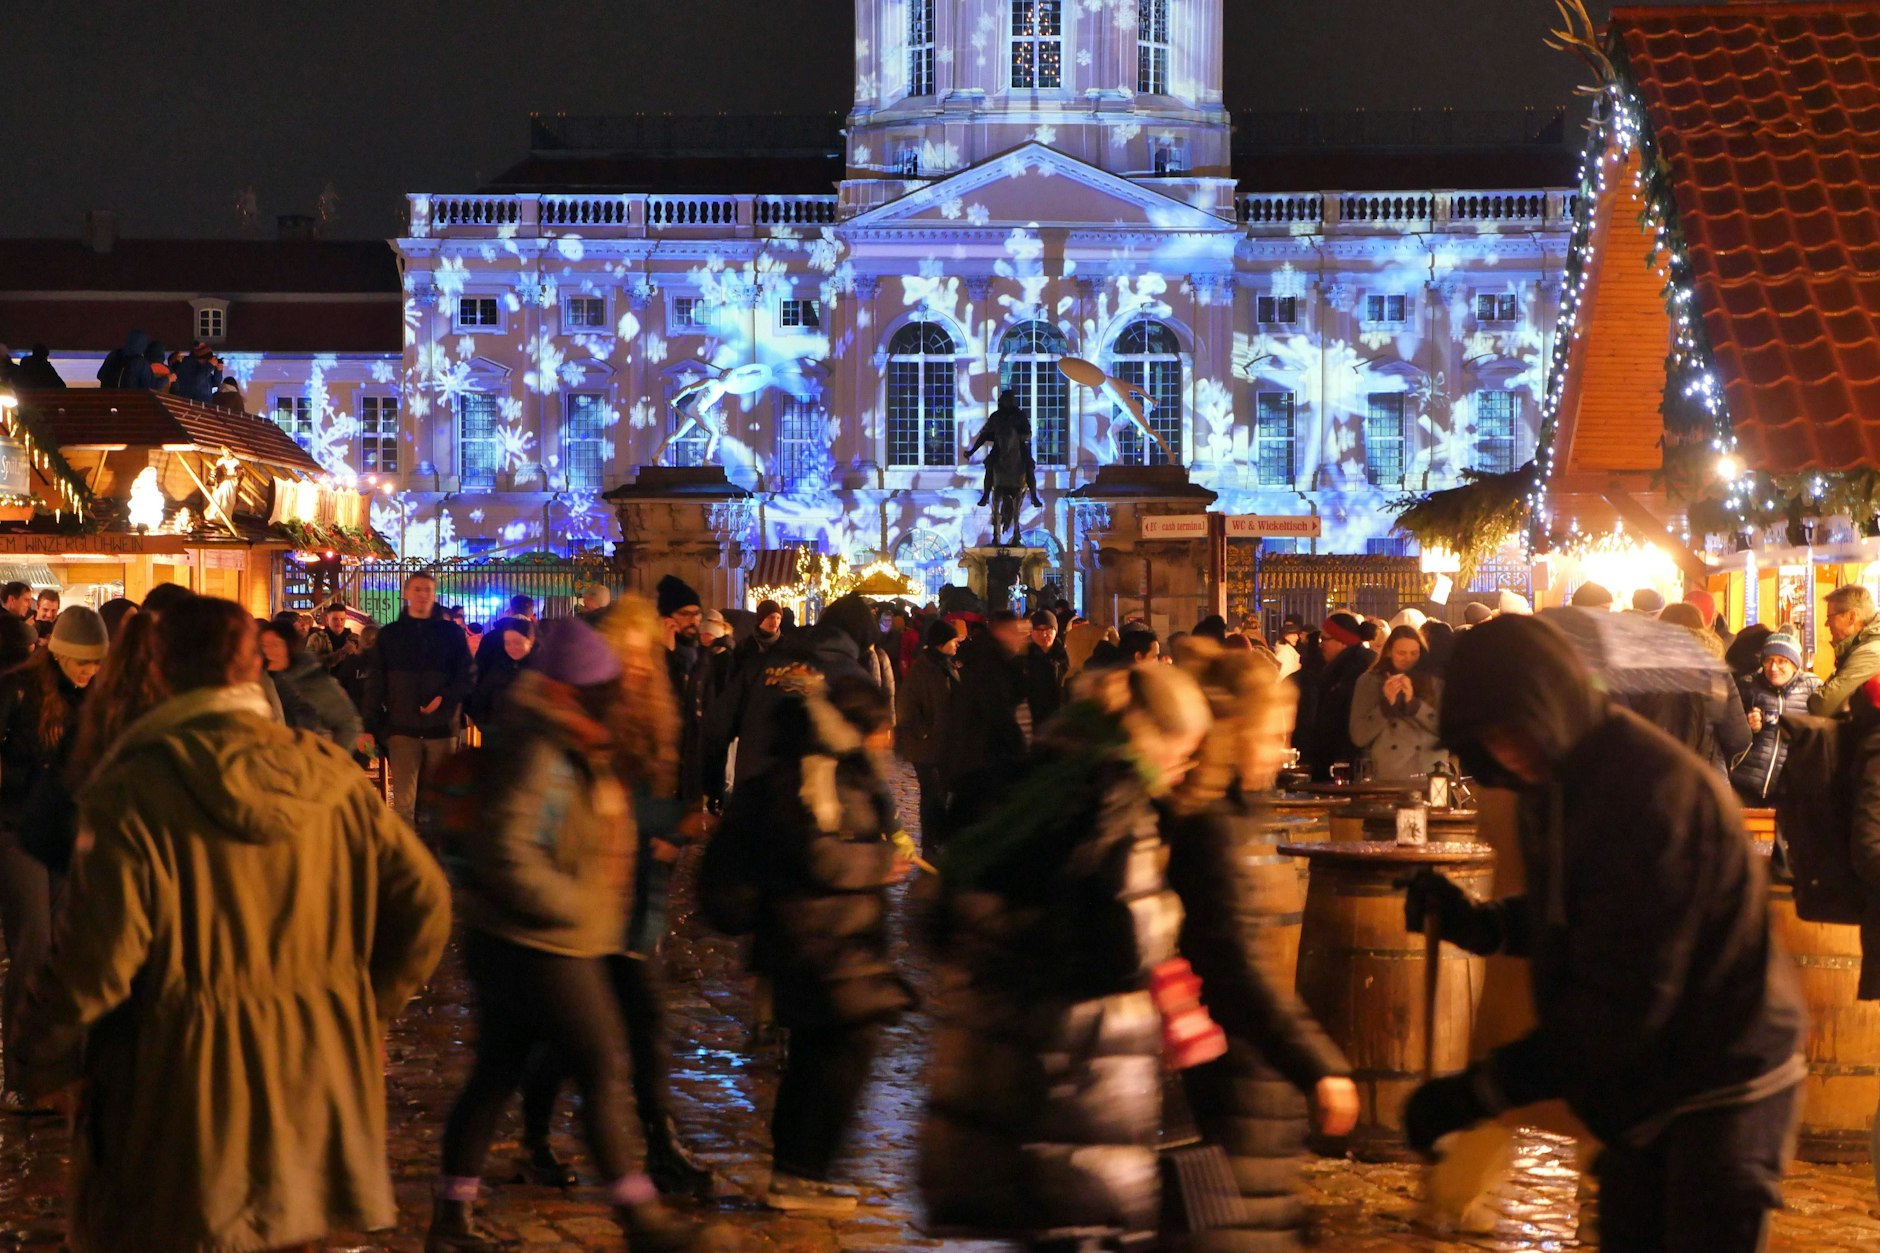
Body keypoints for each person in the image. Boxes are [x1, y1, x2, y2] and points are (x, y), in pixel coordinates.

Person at [13, 596, 452, 1253]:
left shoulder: (134, 791)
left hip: (176, 1100)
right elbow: (424, 904)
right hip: (308, 1090)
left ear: (157, 673)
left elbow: (95, 959)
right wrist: (361, 1010)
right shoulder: (328, 776)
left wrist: (39, 1058)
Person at [1400, 614, 1806, 1251]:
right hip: (1642, 1085)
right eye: (1491, 741)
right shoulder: (1552, 779)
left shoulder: (1651, 794)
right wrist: (1482, 924)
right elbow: (1578, 912)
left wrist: (1483, 1090)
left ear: (1550, 704)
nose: (1508, 753)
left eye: (1514, 732)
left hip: (1719, 1083)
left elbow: (1627, 993)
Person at [921, 663, 1211, 1247]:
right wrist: (1165, 960)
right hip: (1074, 1091)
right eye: (1184, 750)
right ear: (1151, 732)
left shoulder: (1041, 779)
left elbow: (953, 905)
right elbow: (1115, 943)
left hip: (1006, 1083)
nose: (1185, 768)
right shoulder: (1115, 800)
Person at [429, 617, 691, 1252]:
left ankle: (452, 1219)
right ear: (581, 689)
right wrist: (579, 907)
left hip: (526, 935)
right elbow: (510, 850)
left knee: (497, 1070)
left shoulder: (563, 737)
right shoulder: (542, 747)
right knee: (601, 1062)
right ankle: (641, 1220)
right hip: (540, 939)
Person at [1167, 639, 1359, 1247]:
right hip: (1217, 1081)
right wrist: (1318, 1065)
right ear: (1235, 731)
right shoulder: (1207, 828)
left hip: (1224, 1078)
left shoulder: (1218, 813)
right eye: (1271, 733)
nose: (1280, 751)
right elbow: (1232, 966)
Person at [724, 673, 911, 1213]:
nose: (887, 742)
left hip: (832, 940)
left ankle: (798, 1173)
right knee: (839, 1054)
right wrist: (881, 862)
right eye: (881, 730)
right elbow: (818, 855)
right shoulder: (818, 772)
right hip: (817, 942)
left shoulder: (840, 768)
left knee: (823, 1055)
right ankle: (798, 1174)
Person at [0, 607, 106, 1111]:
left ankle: (61, 1071)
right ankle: (20, 1077)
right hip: (16, 830)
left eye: (95, 665)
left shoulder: (90, 699)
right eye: (81, 663)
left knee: (65, 948)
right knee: (33, 947)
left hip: (66, 833)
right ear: (59, 654)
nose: (88, 672)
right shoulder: (17, 691)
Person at [362, 571, 474, 829]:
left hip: (441, 727)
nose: (423, 595)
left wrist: (444, 698)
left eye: (428, 590)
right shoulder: (390, 635)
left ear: (434, 595)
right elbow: (376, 682)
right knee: (404, 802)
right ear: (406, 593)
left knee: (437, 799)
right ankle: (408, 856)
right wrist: (369, 724)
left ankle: (434, 854)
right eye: (418, 589)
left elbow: (467, 675)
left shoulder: (451, 634)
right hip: (402, 727)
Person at [940, 609, 1028, 837]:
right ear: (1001, 632)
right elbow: (996, 712)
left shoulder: (989, 659)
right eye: (1015, 632)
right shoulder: (990, 663)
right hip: (981, 758)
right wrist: (1019, 748)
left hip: (976, 757)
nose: (1019, 638)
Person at [1730, 632, 1820, 805]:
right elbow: (1729, 733)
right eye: (1768, 660)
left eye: (1782, 661)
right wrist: (1747, 726)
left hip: (1788, 788)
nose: (1773, 667)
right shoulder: (1747, 686)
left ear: (1795, 665)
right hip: (1745, 783)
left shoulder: (1812, 688)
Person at [895, 616, 961, 847]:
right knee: (932, 797)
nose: (957, 644)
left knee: (941, 795)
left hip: (943, 745)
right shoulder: (923, 669)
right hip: (926, 748)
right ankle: (931, 844)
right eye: (954, 640)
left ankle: (938, 842)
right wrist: (925, 731)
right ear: (941, 642)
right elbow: (905, 707)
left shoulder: (946, 665)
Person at [1348, 623, 1444, 781]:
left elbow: (1446, 730)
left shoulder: (1434, 682)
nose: (1408, 659)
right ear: (1389, 652)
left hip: (1429, 773)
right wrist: (1386, 707)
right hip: (1388, 774)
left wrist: (1415, 706)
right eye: (1401, 653)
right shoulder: (1369, 682)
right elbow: (1359, 736)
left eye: (1414, 653)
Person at [260, 620, 366, 750]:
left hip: (310, 759)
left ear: (289, 646)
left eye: (275, 645)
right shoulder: (262, 680)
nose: (268, 651)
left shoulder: (312, 678)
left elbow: (348, 724)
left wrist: (331, 760)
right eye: (264, 645)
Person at [1302, 612, 1369, 780]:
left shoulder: (1348, 672)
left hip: (1344, 763)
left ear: (1343, 641)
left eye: (1325, 639)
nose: (1320, 645)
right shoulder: (1336, 669)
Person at [1811, 584, 1880, 716]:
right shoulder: (1860, 648)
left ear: (1851, 617)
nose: (1826, 624)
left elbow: (1821, 706)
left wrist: (1817, 693)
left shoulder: (1870, 653)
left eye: (1830, 617)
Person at [466, 618, 533, 726]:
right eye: (507, 643)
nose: (512, 647)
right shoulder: (498, 669)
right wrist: (488, 727)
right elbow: (479, 700)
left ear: (530, 640)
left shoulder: (541, 670)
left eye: (517, 642)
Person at [1021, 609, 1063, 730]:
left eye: (1048, 629)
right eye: (1038, 629)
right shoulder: (1023, 658)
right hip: (1034, 721)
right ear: (1031, 632)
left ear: (1055, 630)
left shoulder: (1066, 655)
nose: (1043, 634)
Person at [307, 602, 359, 670]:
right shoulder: (317, 638)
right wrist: (341, 652)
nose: (339, 622)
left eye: (342, 619)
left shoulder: (355, 639)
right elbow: (309, 664)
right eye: (335, 619)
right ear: (327, 619)